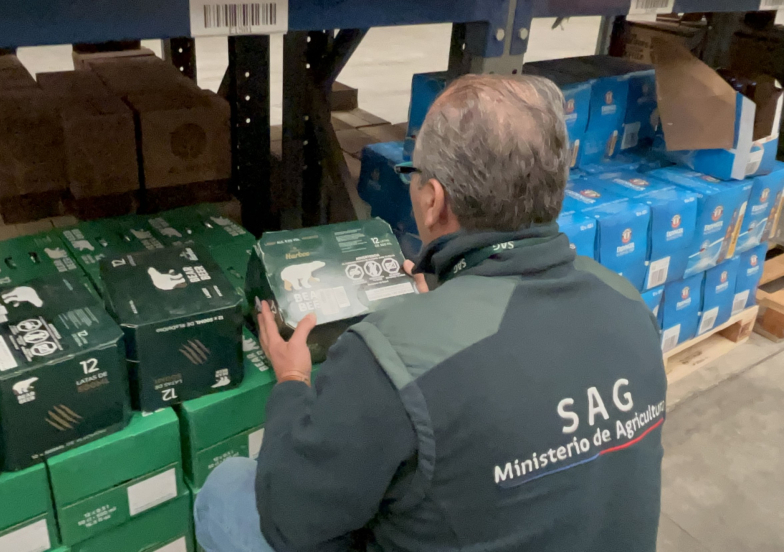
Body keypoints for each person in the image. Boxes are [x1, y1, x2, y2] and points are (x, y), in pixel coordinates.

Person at [194, 74, 667, 552]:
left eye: (413, 175)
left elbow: (289, 519)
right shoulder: (627, 302)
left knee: (226, 490)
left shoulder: (386, 355)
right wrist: (444, 308)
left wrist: (293, 382)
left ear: (433, 199)